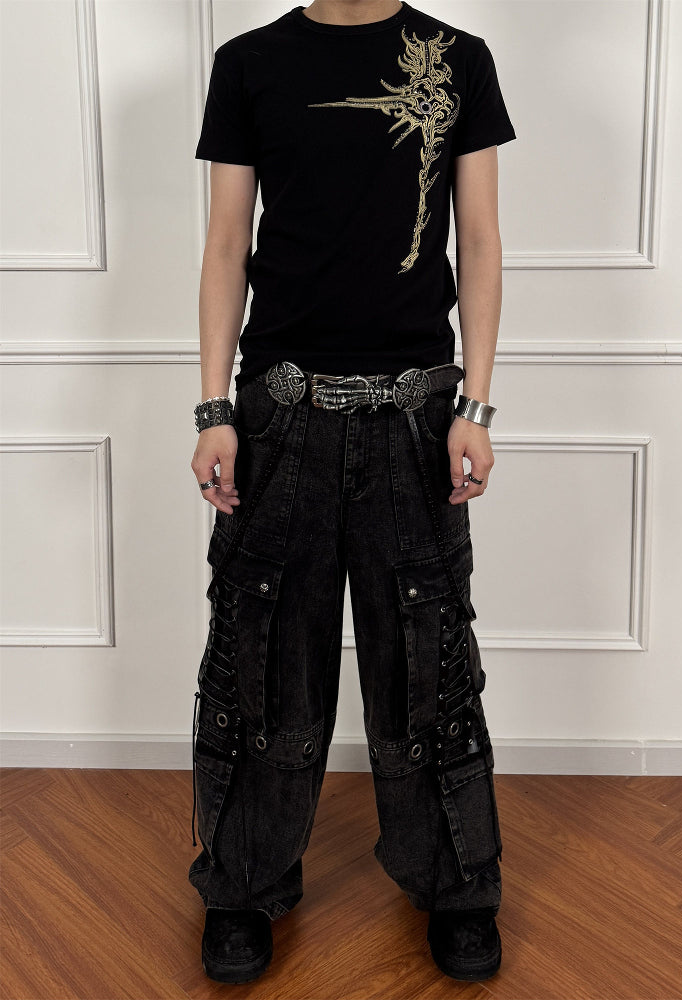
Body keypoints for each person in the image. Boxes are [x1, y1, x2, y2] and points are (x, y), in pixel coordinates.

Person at [188, 0, 516, 985]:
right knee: (264, 663)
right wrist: (213, 408)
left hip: (416, 415)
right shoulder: (249, 63)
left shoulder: (459, 59)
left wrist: (477, 406)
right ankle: (243, 884)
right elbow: (226, 244)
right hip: (281, 414)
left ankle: (457, 887)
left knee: (428, 663)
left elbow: (480, 240)